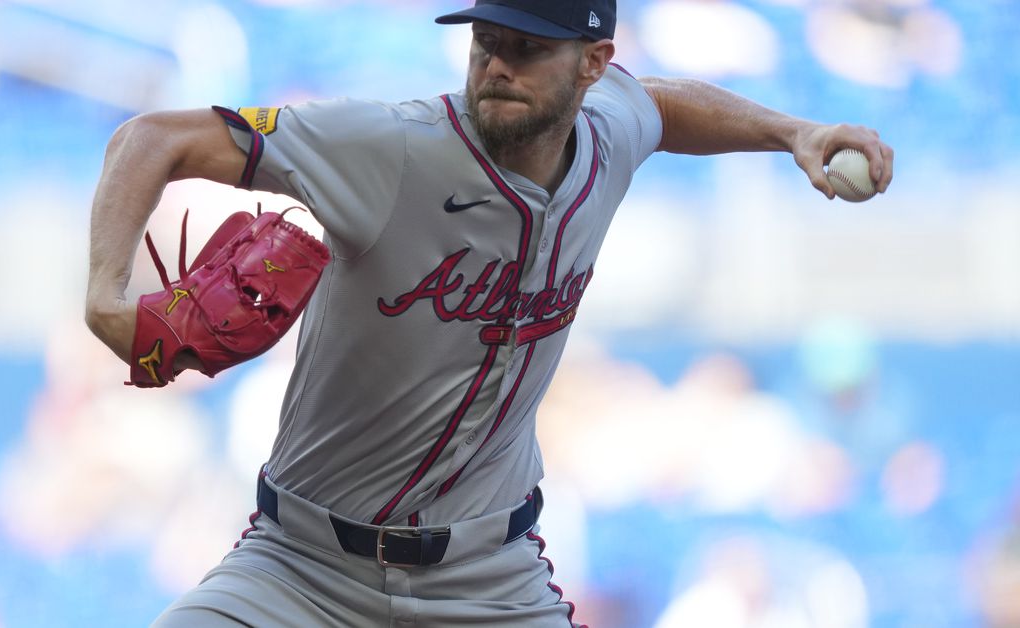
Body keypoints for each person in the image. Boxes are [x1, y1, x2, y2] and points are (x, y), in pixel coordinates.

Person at [85, 1, 894, 625]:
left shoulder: (612, 129)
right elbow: (153, 137)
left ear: (592, 66)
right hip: (301, 567)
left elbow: (659, 107)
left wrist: (795, 132)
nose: (499, 65)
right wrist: (107, 297)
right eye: (487, 43)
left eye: (528, 49)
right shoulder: (389, 146)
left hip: (488, 582)